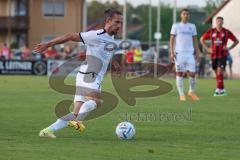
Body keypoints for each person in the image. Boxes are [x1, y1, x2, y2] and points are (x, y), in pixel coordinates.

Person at [34, 9, 122, 138]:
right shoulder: (96, 35)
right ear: (108, 21)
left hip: (85, 75)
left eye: (121, 22)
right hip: (90, 75)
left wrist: (115, 64)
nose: (119, 25)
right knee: (97, 102)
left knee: (76, 113)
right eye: (117, 22)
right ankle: (77, 121)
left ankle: (47, 131)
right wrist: (48, 44)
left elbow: (106, 51)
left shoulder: (111, 38)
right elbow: (70, 36)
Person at [200, 16, 239, 96]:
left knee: (219, 71)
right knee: (216, 72)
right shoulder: (211, 31)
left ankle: (218, 90)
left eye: (221, 21)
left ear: (223, 22)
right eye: (218, 21)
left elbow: (236, 41)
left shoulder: (226, 32)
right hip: (213, 55)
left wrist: (229, 48)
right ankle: (222, 89)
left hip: (223, 55)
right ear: (216, 22)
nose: (219, 22)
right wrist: (207, 49)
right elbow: (201, 39)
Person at [169, 8, 201, 101]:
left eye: (187, 14)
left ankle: (191, 92)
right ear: (181, 15)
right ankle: (181, 94)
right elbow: (172, 39)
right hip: (179, 53)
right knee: (179, 73)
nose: (186, 15)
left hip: (190, 54)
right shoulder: (176, 26)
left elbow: (195, 39)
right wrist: (171, 51)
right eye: (184, 14)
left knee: (192, 73)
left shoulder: (192, 26)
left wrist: (198, 51)